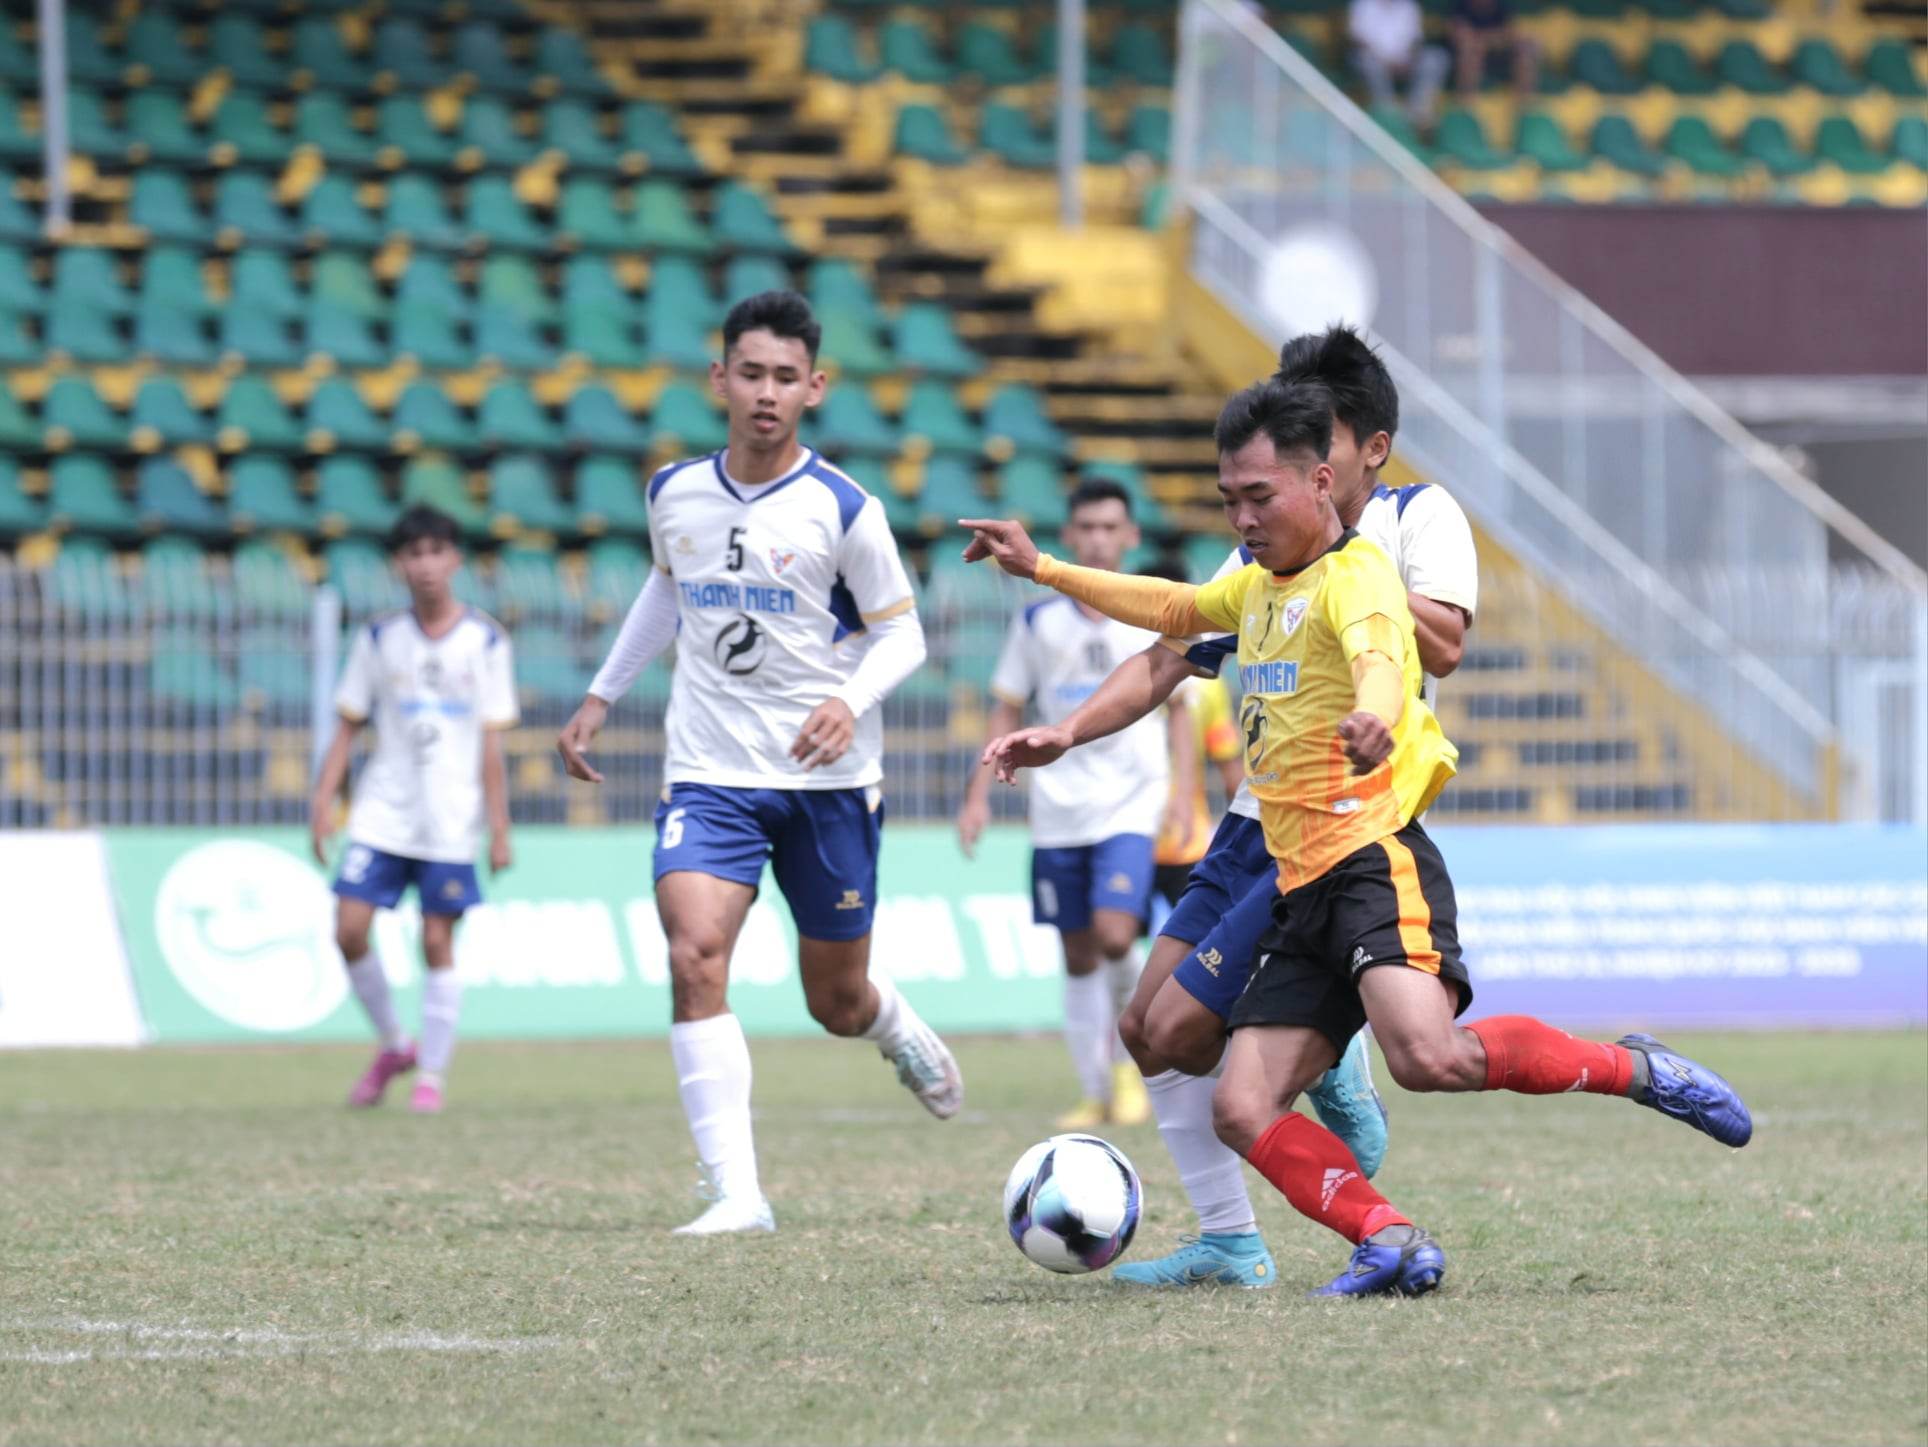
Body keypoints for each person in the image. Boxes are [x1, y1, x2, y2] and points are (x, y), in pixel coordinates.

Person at [961, 377, 1751, 1298]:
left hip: (1374, 862)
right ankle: (1389, 1236)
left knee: (1429, 1058)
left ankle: (1632, 1067)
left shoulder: (1360, 575)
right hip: (1298, 884)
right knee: (1240, 1105)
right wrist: (1046, 573)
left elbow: (1382, 656)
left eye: (1261, 497)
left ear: (1324, 483)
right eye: (1230, 501)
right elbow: (1171, 611)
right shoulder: (1254, 588)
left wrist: (1376, 717)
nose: (1244, 517)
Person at [981, 326, 1478, 1289]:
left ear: (1360, 450)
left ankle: (1327, 1067)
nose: (1289, 460)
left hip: (1339, 823)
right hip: (1250, 820)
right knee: (1145, 1029)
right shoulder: (1263, 545)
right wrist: (1069, 727)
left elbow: (1443, 646)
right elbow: (1168, 650)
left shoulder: (1411, 522)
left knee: (1199, 1034)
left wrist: (1335, 567)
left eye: (1316, 436)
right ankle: (1229, 1238)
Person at [555, 290, 962, 1238]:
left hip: (828, 784)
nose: (766, 393)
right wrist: (602, 694)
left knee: (837, 999)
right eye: (751, 373)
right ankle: (737, 1192)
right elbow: (669, 588)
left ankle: (893, 1023)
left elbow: (905, 639)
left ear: (815, 388)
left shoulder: (844, 508)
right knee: (694, 953)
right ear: (720, 379)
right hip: (710, 773)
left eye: (786, 377)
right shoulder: (672, 492)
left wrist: (846, 700)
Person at [957, 480, 1198, 1130]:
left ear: (1130, 537)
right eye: (1085, 527)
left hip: (1130, 803)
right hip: (1057, 808)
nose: (1096, 537)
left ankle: (1127, 1069)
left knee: (1118, 932)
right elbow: (1007, 703)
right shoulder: (1037, 621)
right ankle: (1095, 1087)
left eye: (1108, 527)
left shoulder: (1149, 611)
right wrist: (977, 794)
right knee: (1077, 953)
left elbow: (1181, 709)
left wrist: (1182, 794)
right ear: (1069, 537)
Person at [310, 504, 516, 1116]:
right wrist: (323, 800)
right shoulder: (378, 639)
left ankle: (432, 1074)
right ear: (399, 564)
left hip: (451, 817)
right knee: (348, 929)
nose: (426, 565)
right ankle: (395, 1045)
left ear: (454, 559)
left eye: (436, 552)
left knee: (436, 940)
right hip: (383, 809)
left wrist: (499, 828)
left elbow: (491, 742)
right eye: (413, 554)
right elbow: (346, 726)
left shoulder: (486, 641)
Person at [1349, 0, 1451, 130]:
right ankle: (1386, 111)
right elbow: (1358, 41)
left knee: (1436, 57)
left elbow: (1416, 41)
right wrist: (1385, 61)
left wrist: (1409, 59)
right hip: (1375, 59)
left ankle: (1417, 111)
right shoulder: (1363, 4)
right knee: (1367, 61)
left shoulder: (1408, 6)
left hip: (1404, 61)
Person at [1451, 0, 1540, 97]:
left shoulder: (1501, 7)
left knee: (1526, 50)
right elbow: (1461, 36)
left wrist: (1484, 40)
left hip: (1499, 57)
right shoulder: (1461, 7)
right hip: (1473, 57)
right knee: (1469, 54)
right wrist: (1492, 39)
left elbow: (1510, 34)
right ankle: (1465, 101)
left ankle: (1525, 100)